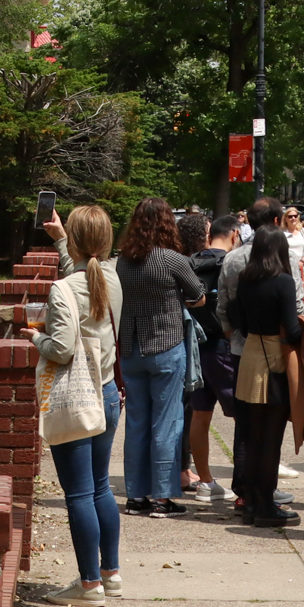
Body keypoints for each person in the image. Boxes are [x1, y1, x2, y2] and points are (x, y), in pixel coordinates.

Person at [33, 204, 122, 605]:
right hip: (106, 393)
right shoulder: (113, 278)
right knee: (101, 487)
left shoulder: (62, 289)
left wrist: (34, 339)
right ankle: (110, 573)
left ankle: (88, 586)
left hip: (76, 398)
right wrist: (62, 241)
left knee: (78, 494)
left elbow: (63, 349)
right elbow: (83, 270)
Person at [219, 195, 304, 512]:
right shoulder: (283, 281)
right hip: (274, 358)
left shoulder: (242, 276)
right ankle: (266, 501)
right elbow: (294, 322)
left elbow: (231, 317)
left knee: (249, 432)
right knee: (272, 435)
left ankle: (249, 495)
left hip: (248, 354)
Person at [116, 196, 204, 516]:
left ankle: (136, 495)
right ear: (167, 223)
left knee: (137, 422)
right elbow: (198, 296)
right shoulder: (172, 260)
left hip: (131, 347)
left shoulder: (123, 261)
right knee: (167, 423)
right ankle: (163, 497)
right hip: (166, 346)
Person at [184, 212, 238, 502]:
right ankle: (248, 482)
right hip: (224, 347)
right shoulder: (232, 262)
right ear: (234, 234)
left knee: (200, 417)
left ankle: (205, 480)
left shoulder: (191, 262)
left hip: (195, 347)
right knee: (244, 417)